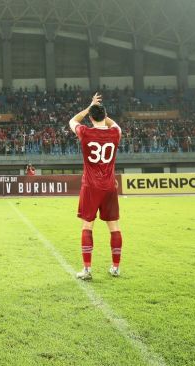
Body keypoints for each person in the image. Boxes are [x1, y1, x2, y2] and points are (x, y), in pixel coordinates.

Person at [68, 93, 123, 280]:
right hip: (109, 186)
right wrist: (101, 113)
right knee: (114, 227)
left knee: (87, 226)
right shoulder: (116, 133)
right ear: (105, 116)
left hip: (90, 186)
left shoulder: (85, 132)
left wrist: (89, 106)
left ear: (91, 117)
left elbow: (73, 120)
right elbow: (113, 124)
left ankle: (87, 269)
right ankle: (115, 268)